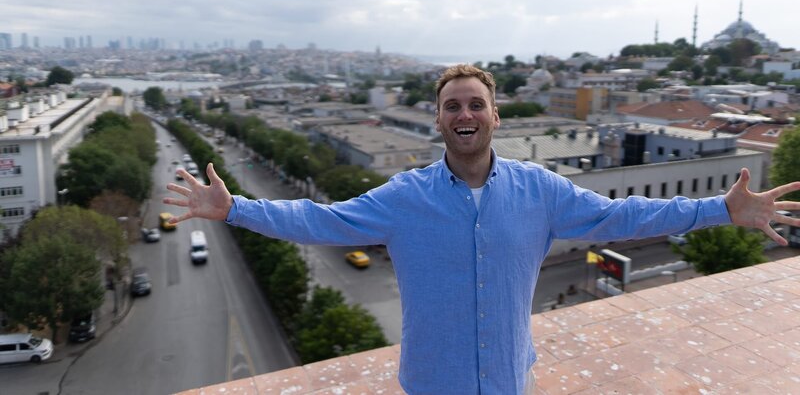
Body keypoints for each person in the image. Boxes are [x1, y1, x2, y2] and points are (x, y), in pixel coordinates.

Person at [164, 64, 800, 395]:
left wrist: (721, 208)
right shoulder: (404, 197)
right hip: (432, 384)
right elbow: (322, 221)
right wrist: (235, 209)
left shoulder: (540, 190)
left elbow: (627, 213)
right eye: (451, 106)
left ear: (495, 115)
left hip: (508, 382)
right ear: (437, 121)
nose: (464, 114)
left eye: (475, 104)